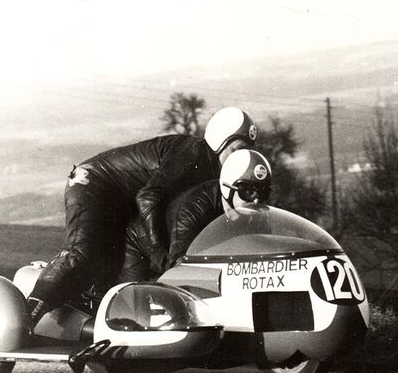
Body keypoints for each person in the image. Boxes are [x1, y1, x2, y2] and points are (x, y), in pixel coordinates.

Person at [26, 107, 258, 326]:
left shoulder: (215, 171)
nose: (240, 156)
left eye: (247, 150)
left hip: (124, 199)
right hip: (94, 183)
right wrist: (159, 251)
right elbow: (148, 197)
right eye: (236, 149)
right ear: (219, 143)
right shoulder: (194, 156)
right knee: (83, 253)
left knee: (114, 276)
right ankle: (29, 313)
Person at [117, 149, 272, 283]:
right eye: (248, 191)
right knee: (137, 306)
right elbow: (180, 266)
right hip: (142, 246)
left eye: (263, 192)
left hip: (177, 251)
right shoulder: (194, 209)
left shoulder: (256, 214)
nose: (256, 200)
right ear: (228, 188)